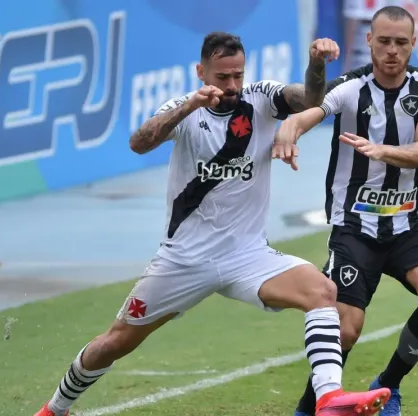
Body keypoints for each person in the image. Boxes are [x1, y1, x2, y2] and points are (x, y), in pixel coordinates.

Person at [33, 32, 391, 416]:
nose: (233, 85)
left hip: (247, 257)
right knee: (117, 341)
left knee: (321, 291)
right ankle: (55, 408)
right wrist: (188, 106)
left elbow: (310, 99)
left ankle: (328, 398)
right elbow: (139, 143)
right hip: (183, 261)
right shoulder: (185, 110)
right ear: (201, 72)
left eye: (238, 74)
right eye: (223, 77)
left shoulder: (261, 98)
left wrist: (317, 65)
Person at [271, 6, 418, 416]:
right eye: (384, 41)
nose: (392, 51)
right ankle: (309, 407)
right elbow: (310, 111)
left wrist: (383, 151)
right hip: (355, 228)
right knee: (347, 330)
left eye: (400, 43)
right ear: (369, 41)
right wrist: (289, 129)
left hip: (409, 225)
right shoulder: (350, 87)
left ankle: (388, 385)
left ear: (413, 45)